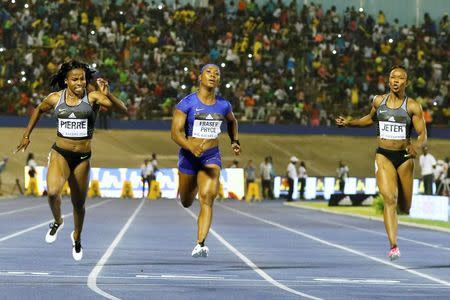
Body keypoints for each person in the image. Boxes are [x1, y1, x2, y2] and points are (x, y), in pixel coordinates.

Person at [15, 60, 127, 261]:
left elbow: (123, 109)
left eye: (82, 79)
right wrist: (26, 135)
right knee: (52, 193)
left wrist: (108, 94)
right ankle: (57, 221)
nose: (80, 83)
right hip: (60, 153)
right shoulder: (55, 98)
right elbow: (39, 110)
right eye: (75, 79)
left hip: (83, 157)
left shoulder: (92, 97)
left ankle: (77, 237)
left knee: (78, 204)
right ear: (66, 81)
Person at [336, 65, 427, 261]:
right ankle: (393, 245)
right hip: (383, 154)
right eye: (392, 77)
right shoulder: (379, 101)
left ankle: (404, 209)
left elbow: (422, 134)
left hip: (404, 157)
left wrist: (417, 146)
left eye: (400, 78)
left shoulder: (412, 106)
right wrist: (349, 122)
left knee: (406, 205)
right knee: (389, 198)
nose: (395, 80)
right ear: (388, 80)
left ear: (406, 82)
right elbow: (369, 119)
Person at [171, 64, 240, 258]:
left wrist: (235, 141)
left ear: (219, 80)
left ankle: (200, 243)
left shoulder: (224, 105)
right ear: (200, 77)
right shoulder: (187, 103)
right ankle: (190, 190)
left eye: (217, 73)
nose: (213, 75)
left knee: (208, 198)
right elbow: (175, 133)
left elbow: (232, 121)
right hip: (189, 157)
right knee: (186, 201)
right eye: (209, 72)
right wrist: (189, 145)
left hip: (211, 156)